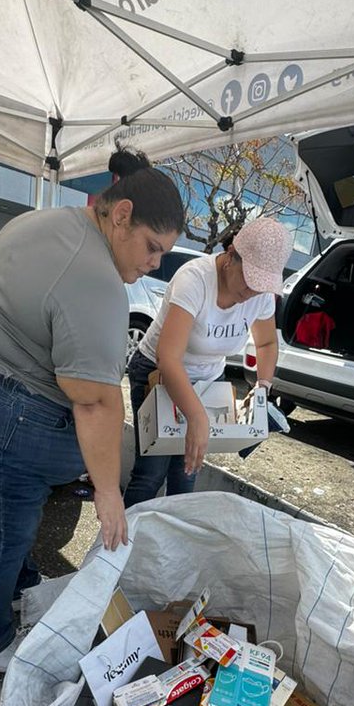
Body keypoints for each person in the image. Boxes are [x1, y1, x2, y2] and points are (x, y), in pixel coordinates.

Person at [0, 148, 184, 673]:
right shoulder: (98, 281)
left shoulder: (41, 220)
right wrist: (107, 493)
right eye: (151, 248)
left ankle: (20, 580)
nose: (154, 264)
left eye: (163, 255)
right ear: (120, 214)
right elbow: (95, 400)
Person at [123, 216, 293, 507]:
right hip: (157, 372)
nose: (251, 293)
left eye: (261, 286)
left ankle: (169, 542)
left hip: (207, 379)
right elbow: (169, 358)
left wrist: (262, 387)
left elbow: (266, 343)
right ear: (231, 256)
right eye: (250, 281)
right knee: (151, 473)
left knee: (188, 470)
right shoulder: (195, 279)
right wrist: (197, 417)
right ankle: (121, 546)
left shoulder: (260, 297)